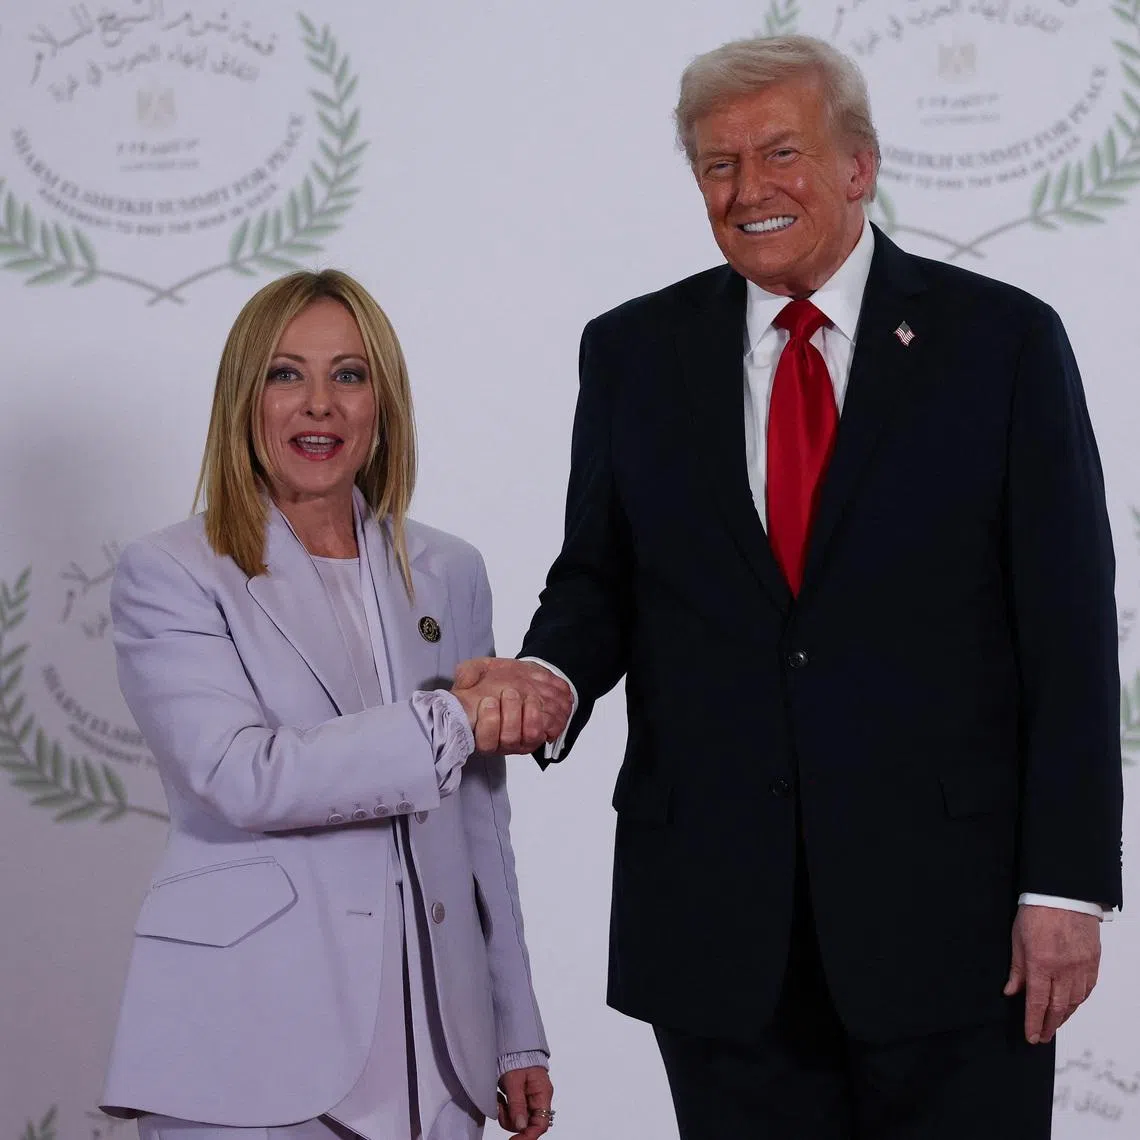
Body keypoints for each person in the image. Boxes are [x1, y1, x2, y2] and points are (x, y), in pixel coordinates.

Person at [457, 34, 1124, 1139]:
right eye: (718, 165)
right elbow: (598, 581)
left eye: (781, 153)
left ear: (859, 164)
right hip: (719, 924)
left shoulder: (1000, 345)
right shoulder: (632, 353)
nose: (749, 190)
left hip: (953, 927)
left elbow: (1067, 633)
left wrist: (1063, 889)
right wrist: (550, 677)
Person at [99, 270, 556, 1140]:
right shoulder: (172, 572)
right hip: (250, 1047)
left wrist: (515, 1031)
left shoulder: (449, 568)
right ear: (245, 396)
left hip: (441, 1056)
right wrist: (453, 720)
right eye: (286, 375)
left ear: (383, 402)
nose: (320, 405)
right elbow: (242, 776)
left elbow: (480, 824)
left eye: (349, 375)